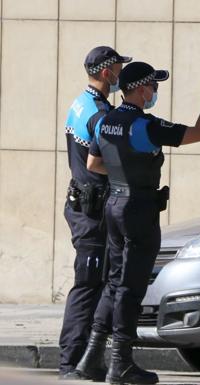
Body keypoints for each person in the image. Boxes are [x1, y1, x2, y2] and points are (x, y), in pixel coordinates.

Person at [77, 60, 200, 384]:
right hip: (138, 211)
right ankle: (121, 365)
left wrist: (122, 175)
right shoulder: (146, 126)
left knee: (114, 282)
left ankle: (90, 358)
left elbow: (93, 162)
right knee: (131, 287)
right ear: (141, 89)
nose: (155, 91)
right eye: (153, 86)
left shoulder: (105, 121)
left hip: (113, 205)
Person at [59, 46, 132, 381]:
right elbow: (102, 162)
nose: (120, 74)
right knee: (88, 286)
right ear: (107, 73)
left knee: (96, 284)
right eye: (118, 68)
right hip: (92, 212)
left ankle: (90, 361)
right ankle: (70, 363)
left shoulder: (81, 102)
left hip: (83, 204)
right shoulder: (99, 114)